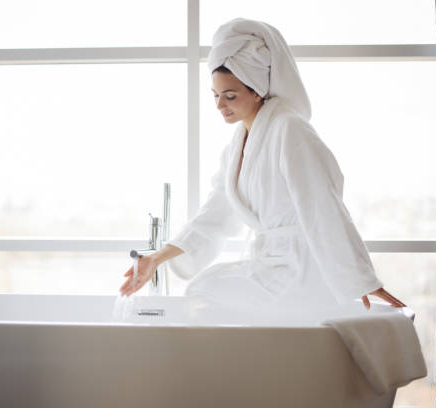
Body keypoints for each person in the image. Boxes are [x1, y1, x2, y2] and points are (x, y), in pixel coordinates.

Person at [119, 18, 405, 311]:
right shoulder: (238, 144)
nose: (220, 106)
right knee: (203, 286)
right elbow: (214, 215)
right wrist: (157, 258)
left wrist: (361, 280)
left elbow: (324, 207)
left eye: (230, 96)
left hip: (301, 271)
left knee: (208, 293)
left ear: (257, 90)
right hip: (268, 265)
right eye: (215, 96)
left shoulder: (290, 130)